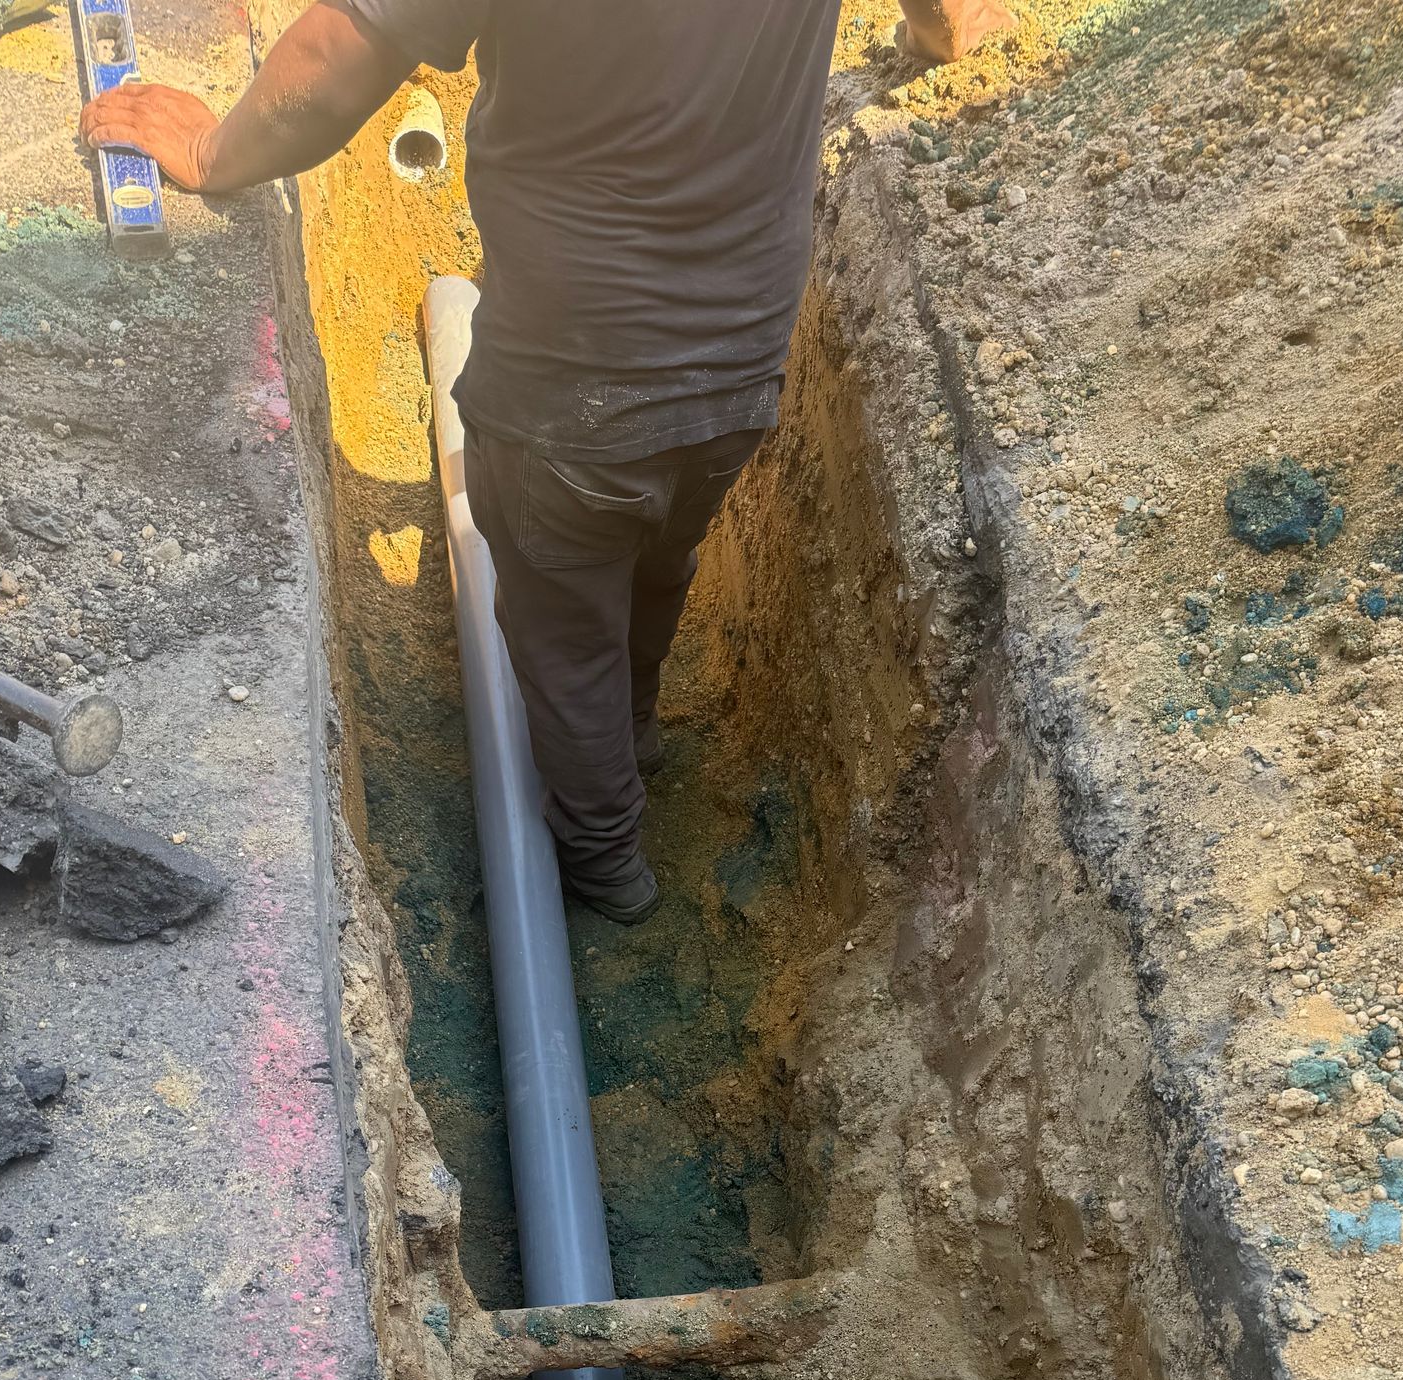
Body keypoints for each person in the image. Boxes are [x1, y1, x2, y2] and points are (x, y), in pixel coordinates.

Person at [84, 1, 1010, 924]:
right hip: (743, 357)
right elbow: (945, 17)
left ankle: (606, 860)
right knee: (660, 544)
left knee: (564, 637)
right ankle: (636, 727)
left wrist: (212, 155)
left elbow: (340, 52)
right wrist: (942, 36)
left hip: (575, 385)